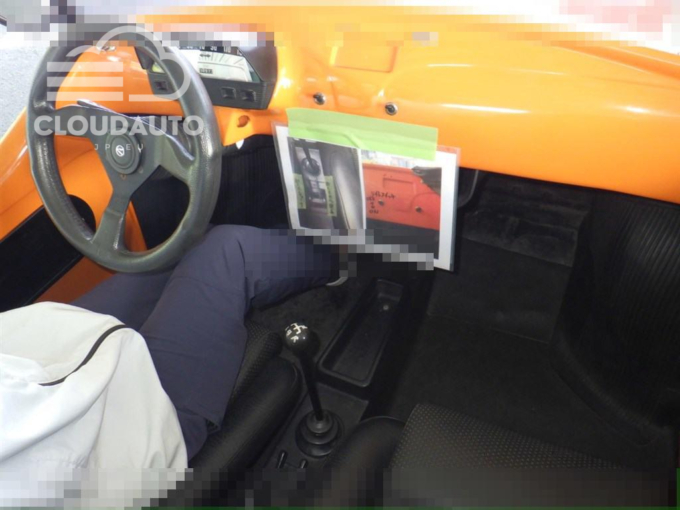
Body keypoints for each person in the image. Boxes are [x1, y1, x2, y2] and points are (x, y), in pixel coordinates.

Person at [0, 225, 339, 475]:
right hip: (128, 432)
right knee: (229, 249)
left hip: (37, 355)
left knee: (182, 245)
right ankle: (343, 252)